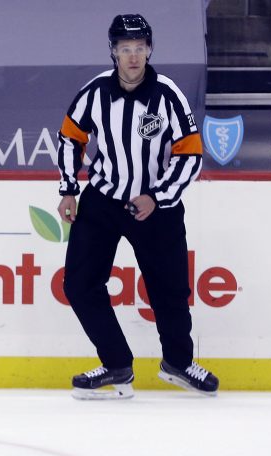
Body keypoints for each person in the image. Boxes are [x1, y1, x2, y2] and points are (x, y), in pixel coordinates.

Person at [56, 14, 218, 400]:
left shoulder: (168, 94)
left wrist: (158, 196)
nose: (133, 56)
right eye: (125, 49)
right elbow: (68, 138)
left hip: (156, 205)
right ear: (113, 52)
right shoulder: (94, 92)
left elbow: (190, 153)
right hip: (103, 201)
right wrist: (68, 189)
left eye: (139, 48)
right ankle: (116, 364)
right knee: (79, 284)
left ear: (150, 50)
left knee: (170, 289)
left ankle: (178, 363)